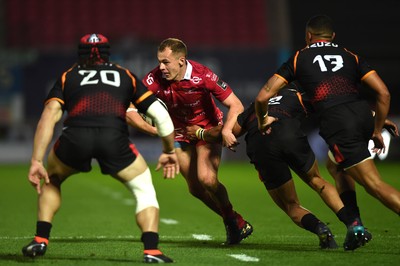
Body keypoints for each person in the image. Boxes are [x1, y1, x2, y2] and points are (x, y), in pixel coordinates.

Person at [22, 34, 179, 264]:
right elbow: (162, 117)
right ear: (108, 53)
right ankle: (151, 250)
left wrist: (36, 161)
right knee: (144, 187)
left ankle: (40, 238)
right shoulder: (125, 75)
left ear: (80, 53)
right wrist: (169, 151)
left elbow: (49, 116)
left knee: (53, 179)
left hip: (75, 138)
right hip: (113, 138)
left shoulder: (68, 76)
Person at [254, 14, 400, 250]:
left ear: (308, 36)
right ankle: (355, 225)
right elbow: (383, 94)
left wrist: (262, 121)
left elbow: (263, 97)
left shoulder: (299, 57)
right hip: (362, 114)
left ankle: (356, 225)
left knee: (374, 185)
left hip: (339, 123)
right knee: (335, 166)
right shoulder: (350, 55)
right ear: (332, 36)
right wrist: (376, 126)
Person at [187, 82, 360, 249]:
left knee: (291, 206)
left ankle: (320, 228)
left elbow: (228, 133)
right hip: (288, 133)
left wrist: (199, 132)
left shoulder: (255, 106)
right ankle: (353, 224)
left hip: (261, 144)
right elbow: (334, 108)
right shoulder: (297, 96)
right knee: (317, 180)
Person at [142, 38, 253, 245]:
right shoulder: (153, 79)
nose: (161, 67)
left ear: (181, 60)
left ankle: (231, 222)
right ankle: (234, 220)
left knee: (207, 180)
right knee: (195, 189)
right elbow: (134, 104)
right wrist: (149, 124)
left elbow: (236, 105)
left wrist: (227, 130)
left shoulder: (203, 75)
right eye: (159, 62)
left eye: (166, 62)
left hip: (206, 129)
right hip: (180, 134)